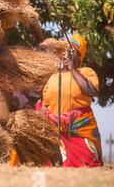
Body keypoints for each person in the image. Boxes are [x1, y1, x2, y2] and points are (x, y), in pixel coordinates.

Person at [41, 33, 102, 167]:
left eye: (71, 51)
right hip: (55, 133)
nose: (66, 54)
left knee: (87, 165)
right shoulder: (53, 77)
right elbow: (45, 106)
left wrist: (73, 69)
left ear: (79, 56)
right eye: (64, 50)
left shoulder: (85, 72)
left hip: (80, 131)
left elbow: (92, 91)